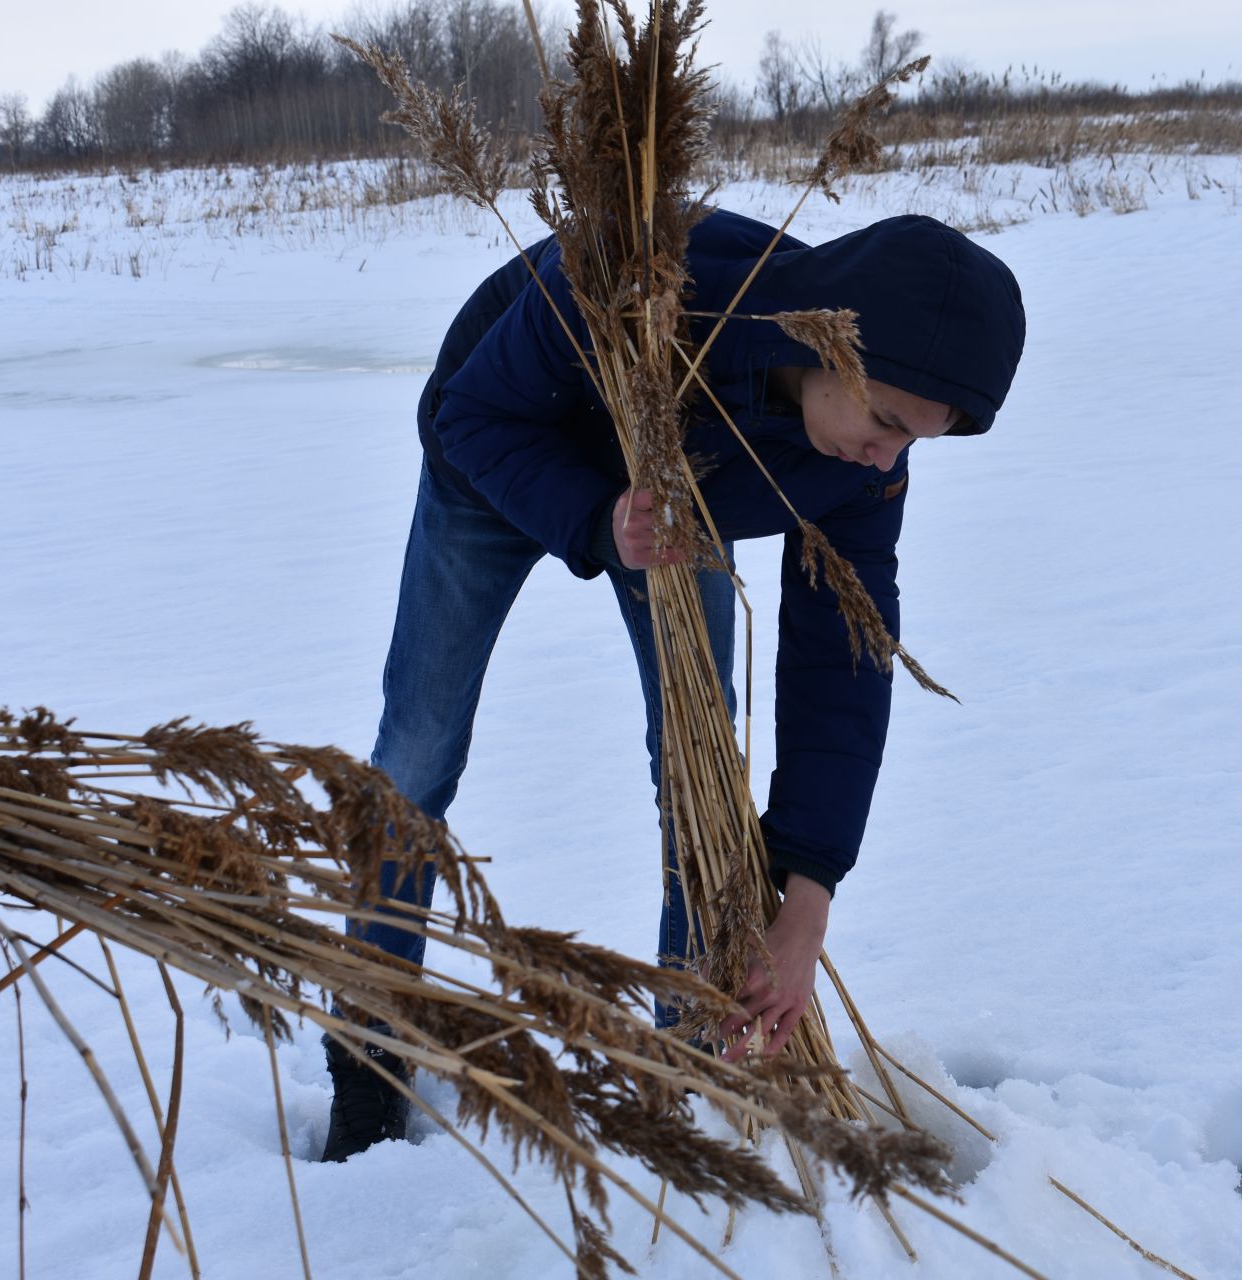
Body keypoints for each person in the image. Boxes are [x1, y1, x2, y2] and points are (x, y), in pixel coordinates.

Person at [320, 209, 1026, 1162]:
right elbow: (472, 412)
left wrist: (808, 891)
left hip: (681, 496)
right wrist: (595, 517)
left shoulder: (861, 464)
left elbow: (843, 659)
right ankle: (369, 1054)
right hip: (499, 452)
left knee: (699, 763)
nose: (889, 460)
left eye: (920, 443)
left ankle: (689, 1063)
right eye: (886, 422)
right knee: (419, 748)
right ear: (825, 342)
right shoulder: (642, 281)